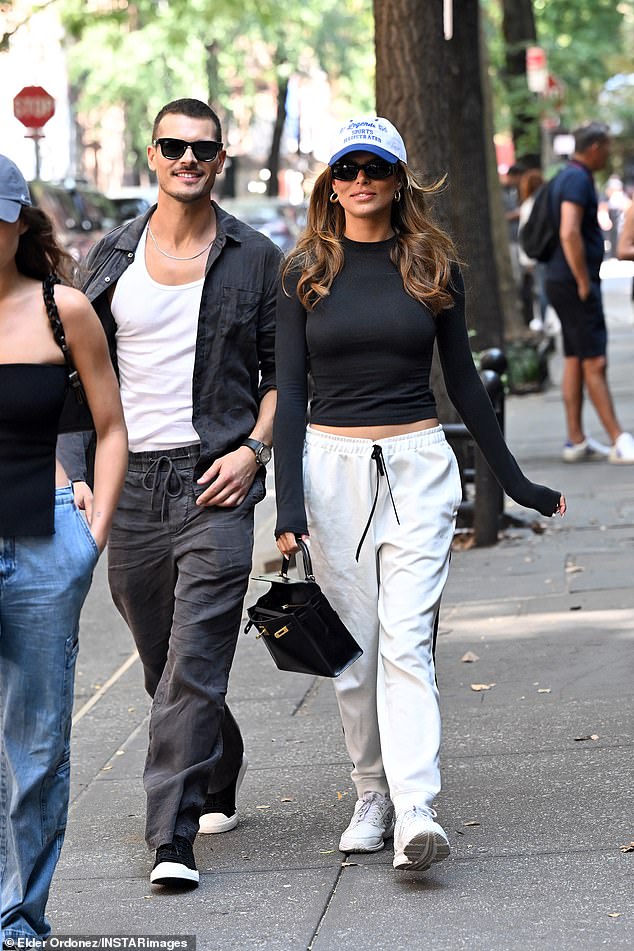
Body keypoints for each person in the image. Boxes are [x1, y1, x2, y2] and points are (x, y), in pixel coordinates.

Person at [273, 116, 566, 873]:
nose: (361, 179)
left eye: (375, 166)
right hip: (331, 468)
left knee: (405, 640)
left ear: (399, 178)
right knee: (356, 655)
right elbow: (293, 389)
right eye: (347, 168)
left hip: (418, 465)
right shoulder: (304, 269)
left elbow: (463, 381)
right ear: (330, 183)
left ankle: (415, 808)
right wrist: (288, 510)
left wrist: (514, 480)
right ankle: (369, 791)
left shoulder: (431, 264)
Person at [57, 99, 282, 888]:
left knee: (193, 662)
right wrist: (76, 470)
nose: (188, 159)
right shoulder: (112, 254)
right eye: (172, 147)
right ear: (152, 156)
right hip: (134, 487)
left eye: (203, 148)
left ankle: (171, 839)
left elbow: (284, 375)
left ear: (222, 159)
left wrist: (255, 452)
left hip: (216, 480)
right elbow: (76, 375)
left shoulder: (255, 257)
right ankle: (220, 757)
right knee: (163, 659)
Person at [0, 155, 127, 946]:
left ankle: (20, 918)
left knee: (39, 744)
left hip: (45, 546)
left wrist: (94, 533)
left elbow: (110, 429)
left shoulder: (62, 309)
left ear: (19, 220)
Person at [544, 122, 634, 464]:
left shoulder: (566, 176)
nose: (609, 154)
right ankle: (618, 439)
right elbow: (569, 231)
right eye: (607, 147)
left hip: (560, 278)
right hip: (573, 281)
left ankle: (575, 439)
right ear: (594, 147)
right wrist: (583, 279)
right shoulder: (578, 179)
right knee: (594, 359)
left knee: (575, 359)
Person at [518, 168, 550, 332]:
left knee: (542, 290)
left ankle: (544, 321)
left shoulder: (529, 205)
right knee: (544, 290)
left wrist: (526, 258)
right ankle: (546, 321)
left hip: (535, 255)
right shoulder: (545, 203)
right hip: (545, 254)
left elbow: (523, 235)